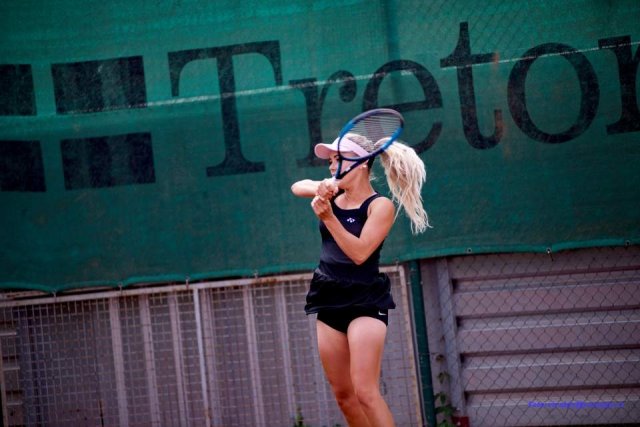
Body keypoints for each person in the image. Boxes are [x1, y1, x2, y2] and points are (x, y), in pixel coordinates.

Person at [291, 132, 430, 427]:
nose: (332, 166)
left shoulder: (380, 206)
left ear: (362, 162)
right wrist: (320, 187)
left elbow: (359, 253)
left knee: (365, 392)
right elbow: (297, 186)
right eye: (330, 161)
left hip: (366, 302)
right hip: (328, 297)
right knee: (343, 396)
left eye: (338, 159)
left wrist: (329, 218)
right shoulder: (332, 193)